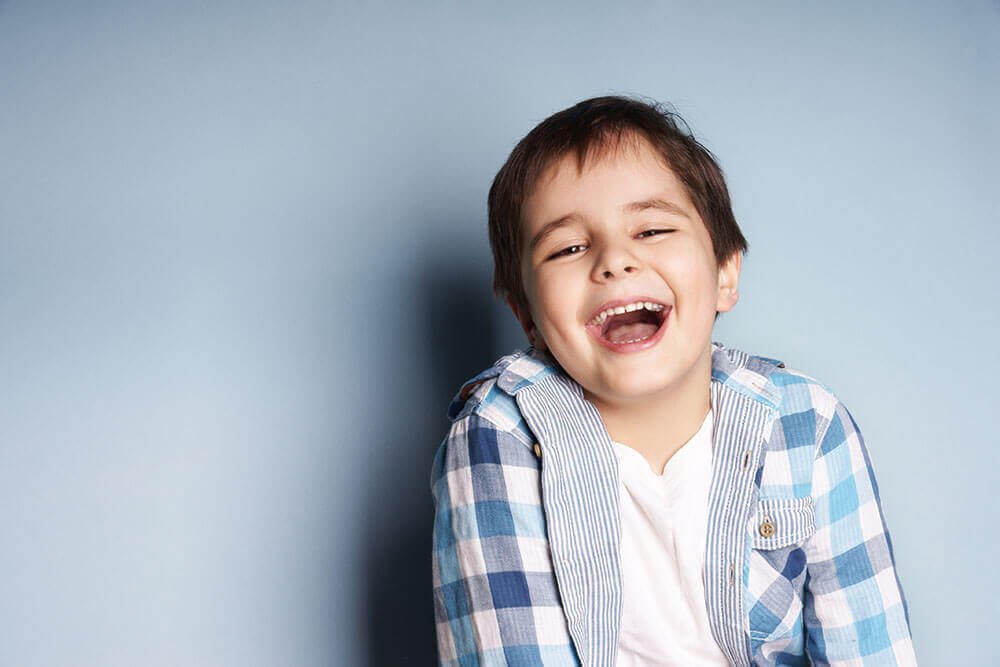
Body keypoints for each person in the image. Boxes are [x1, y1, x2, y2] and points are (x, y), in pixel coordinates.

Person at [429, 95, 915, 666]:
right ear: (527, 315)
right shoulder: (499, 434)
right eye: (569, 248)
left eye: (653, 230)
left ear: (725, 271)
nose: (614, 261)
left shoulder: (808, 424)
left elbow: (870, 649)